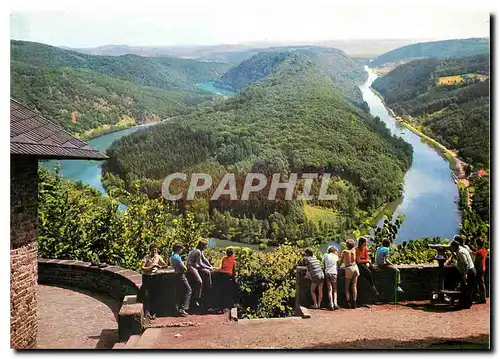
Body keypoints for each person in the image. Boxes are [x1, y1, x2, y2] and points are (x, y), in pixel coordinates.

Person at [141, 243, 168, 319]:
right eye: (153, 250)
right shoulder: (146, 257)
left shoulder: (158, 257)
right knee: (147, 295)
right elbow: (142, 268)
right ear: (150, 250)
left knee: (155, 294)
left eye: (155, 250)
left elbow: (165, 265)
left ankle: (154, 312)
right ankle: (147, 312)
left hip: (155, 277)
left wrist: (160, 266)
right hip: (147, 277)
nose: (154, 251)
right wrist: (152, 267)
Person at [450, 239, 477, 309]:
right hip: (471, 270)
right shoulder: (461, 249)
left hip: (469, 271)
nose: (451, 248)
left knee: (466, 288)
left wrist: (465, 274)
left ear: (455, 246)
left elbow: (465, 263)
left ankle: (464, 304)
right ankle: (467, 304)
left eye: (451, 247)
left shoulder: (460, 252)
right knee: (468, 288)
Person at [187, 240, 214, 308]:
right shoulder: (197, 251)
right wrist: (209, 267)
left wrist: (210, 266)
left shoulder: (200, 251)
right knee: (199, 281)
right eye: (205, 245)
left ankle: (208, 288)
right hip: (191, 266)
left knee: (207, 272)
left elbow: (204, 260)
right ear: (202, 245)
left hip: (196, 266)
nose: (206, 247)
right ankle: (196, 299)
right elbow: (200, 264)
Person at [170, 243, 191, 317]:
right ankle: (183, 309)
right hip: (180, 275)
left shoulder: (172, 256)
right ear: (179, 249)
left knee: (178, 292)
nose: (182, 250)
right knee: (188, 290)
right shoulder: (177, 257)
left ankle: (177, 309)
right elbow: (184, 268)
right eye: (181, 249)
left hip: (175, 274)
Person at [339, 239, 360, 309]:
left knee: (347, 287)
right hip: (355, 268)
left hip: (348, 268)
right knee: (354, 286)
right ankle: (354, 302)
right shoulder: (354, 250)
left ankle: (348, 302)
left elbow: (340, 261)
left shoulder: (345, 251)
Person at [323, 245, 340, 310]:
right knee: (335, 289)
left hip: (327, 272)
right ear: (334, 251)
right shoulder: (336, 256)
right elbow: (338, 264)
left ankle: (331, 303)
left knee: (329, 289)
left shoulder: (325, 255)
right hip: (334, 273)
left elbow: (324, 264)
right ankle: (335, 303)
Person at [471, 237, 487, 304]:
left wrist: (470, 251)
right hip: (482, 268)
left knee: (480, 283)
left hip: (479, 269)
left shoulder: (480, 251)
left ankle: (482, 298)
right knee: (480, 283)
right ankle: (481, 297)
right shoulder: (483, 250)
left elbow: (477, 255)